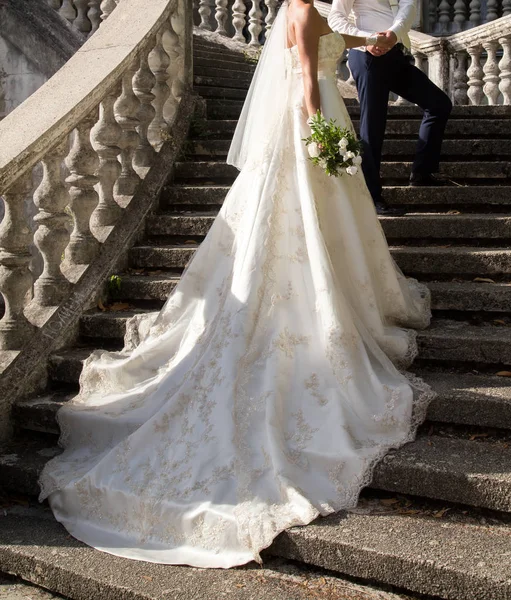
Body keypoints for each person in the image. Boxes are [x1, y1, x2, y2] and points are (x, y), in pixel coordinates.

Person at [39, 0, 433, 569]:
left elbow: (347, 44)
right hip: (309, 120)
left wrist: (381, 39)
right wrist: (320, 130)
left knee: (328, 222)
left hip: (320, 117)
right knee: (296, 223)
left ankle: (347, 290)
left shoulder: (324, 14)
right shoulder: (302, 13)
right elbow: (304, 78)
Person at [329, 0, 453, 214]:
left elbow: (409, 5)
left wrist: (394, 33)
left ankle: (422, 173)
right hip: (366, 54)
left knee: (439, 104)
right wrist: (365, 40)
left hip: (394, 52)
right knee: (373, 127)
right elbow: (336, 17)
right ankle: (372, 197)